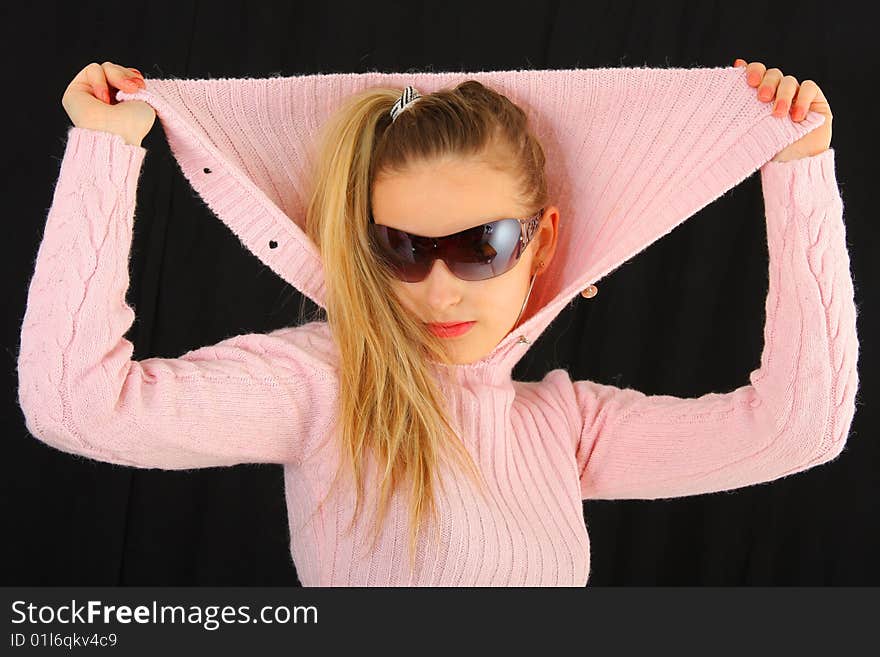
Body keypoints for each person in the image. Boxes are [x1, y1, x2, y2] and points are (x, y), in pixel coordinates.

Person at [17, 59, 857, 586]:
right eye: (400, 248)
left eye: (482, 245)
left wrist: (796, 168)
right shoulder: (325, 383)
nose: (441, 289)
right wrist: (106, 150)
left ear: (543, 241)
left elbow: (799, 426)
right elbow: (76, 403)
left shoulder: (562, 424)